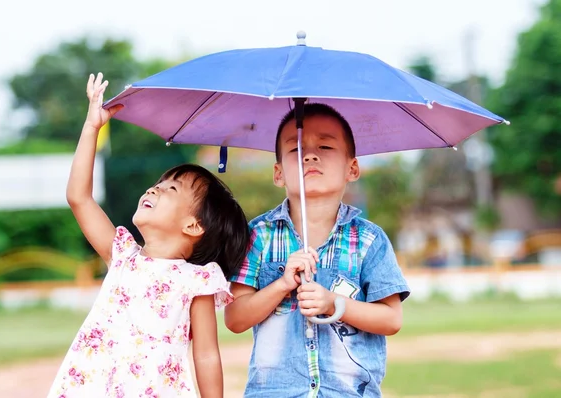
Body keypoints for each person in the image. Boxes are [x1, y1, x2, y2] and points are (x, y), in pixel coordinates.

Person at [47, 73, 250, 398]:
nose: (155, 187)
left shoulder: (198, 279)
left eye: (171, 188)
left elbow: (207, 354)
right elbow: (79, 198)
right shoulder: (122, 255)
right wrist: (91, 128)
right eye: (159, 182)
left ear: (194, 226)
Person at [224, 103, 411, 397]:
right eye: (296, 150)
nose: (310, 155)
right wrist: (282, 285)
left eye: (325, 145)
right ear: (278, 173)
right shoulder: (258, 236)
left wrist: (333, 303)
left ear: (352, 168)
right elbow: (235, 318)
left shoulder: (369, 240)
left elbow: (391, 319)